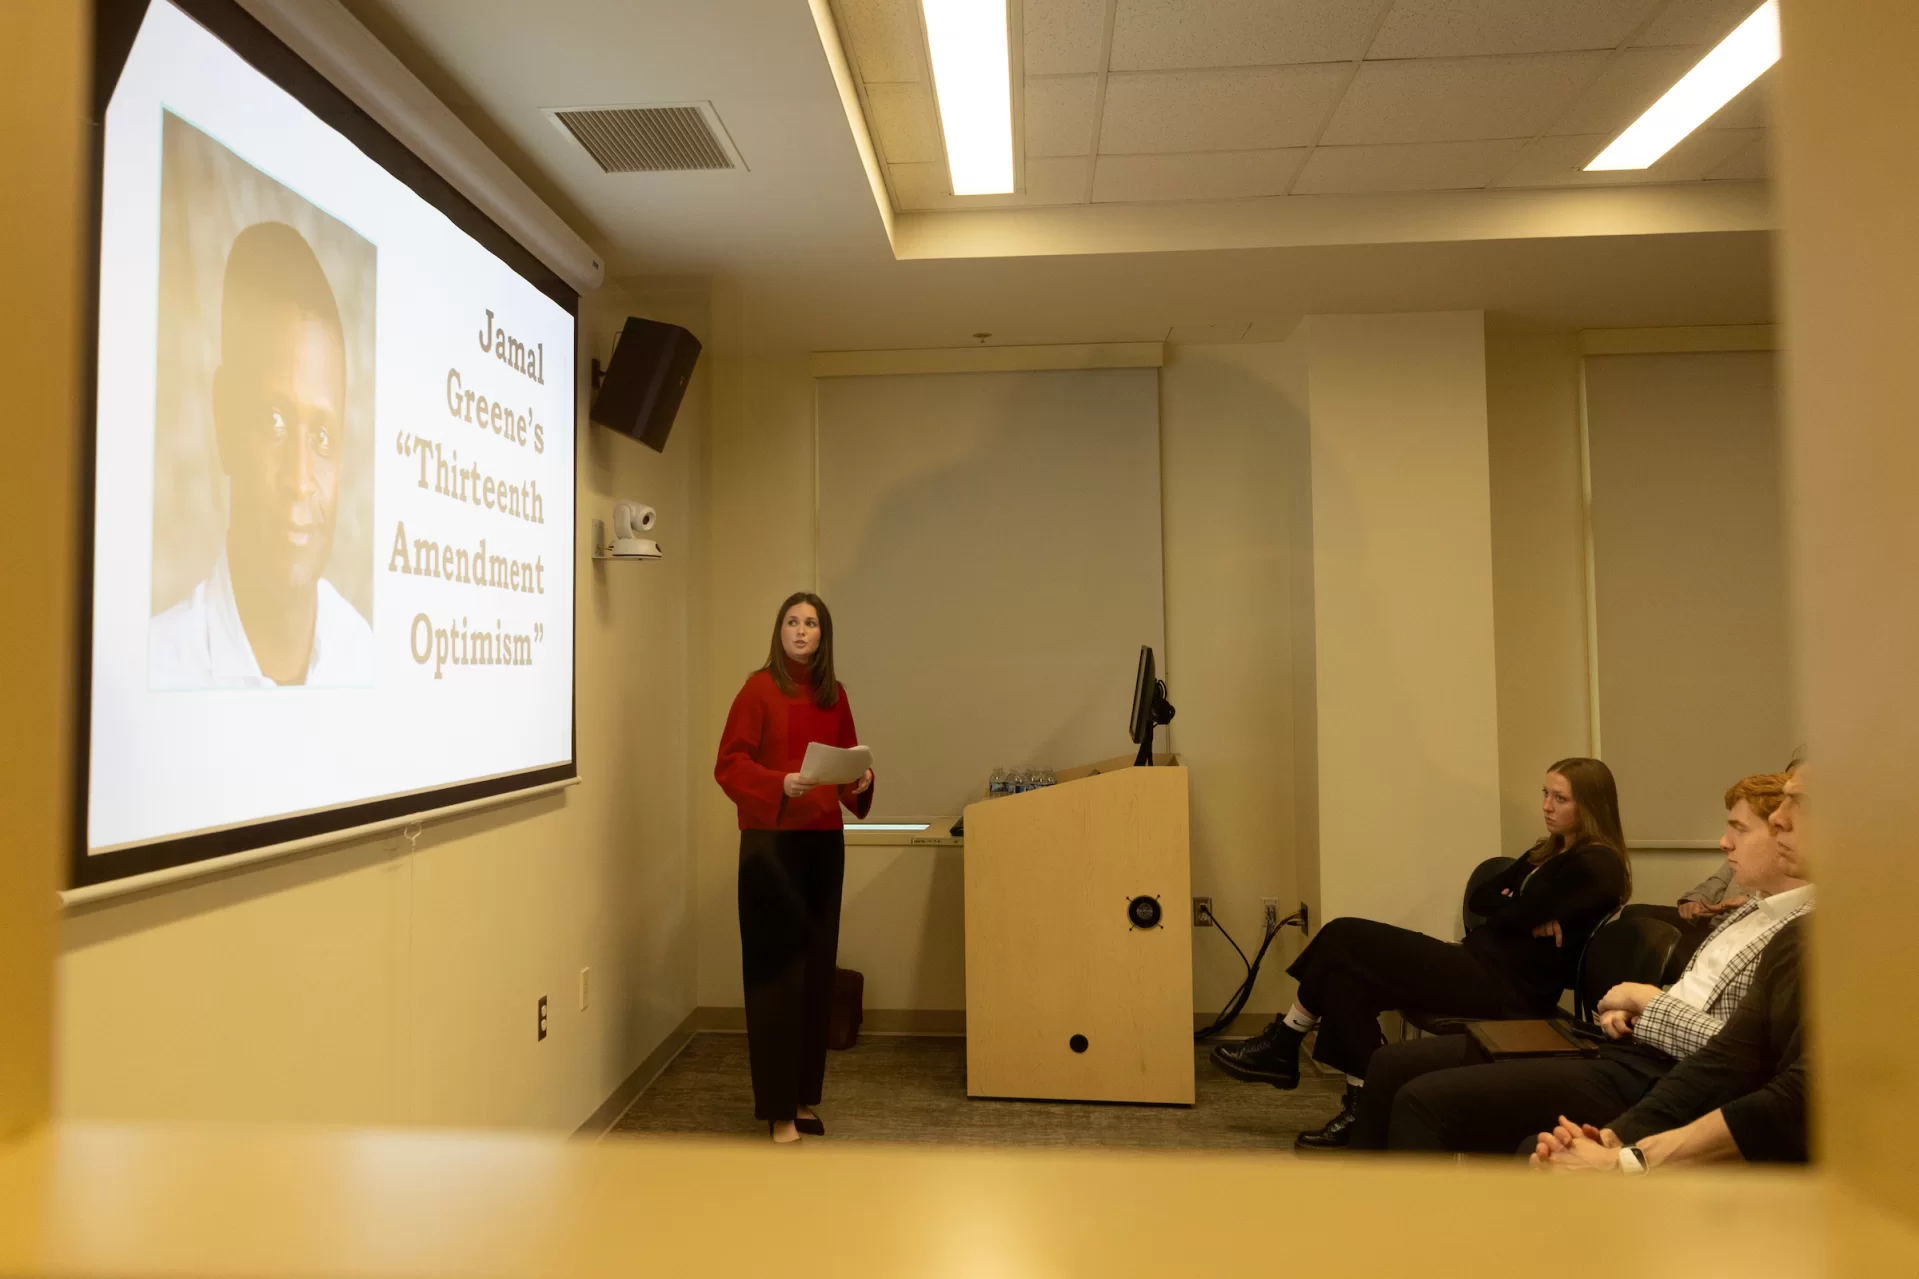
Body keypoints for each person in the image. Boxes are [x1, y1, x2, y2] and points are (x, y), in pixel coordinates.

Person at [1354, 771, 1810, 1153]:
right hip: (1619, 1041)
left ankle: (1402, 1245)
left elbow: (1746, 1052)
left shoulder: (1803, 933)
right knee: (1391, 1064)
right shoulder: (1750, 909)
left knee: (1422, 1099)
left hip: (1656, 1068)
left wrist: (1648, 1004)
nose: (1724, 842)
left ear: (1785, 839)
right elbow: (1489, 900)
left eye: (1740, 829)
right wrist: (1633, 1008)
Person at [1213, 757, 1631, 1150]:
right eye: (1545, 794)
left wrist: (1522, 910)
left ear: (1590, 805)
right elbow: (1486, 899)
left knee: (1343, 934)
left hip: (1506, 989)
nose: (1546, 806)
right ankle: (1358, 1107)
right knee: (1346, 976)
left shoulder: (1599, 865)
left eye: (1560, 798)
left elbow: (1510, 916)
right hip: (1477, 962)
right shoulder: (1549, 850)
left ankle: (1286, 1040)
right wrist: (1526, 910)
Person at [1532, 767, 1814, 1171]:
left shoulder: (1837, 934)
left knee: (1436, 1100)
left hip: (1814, 1179)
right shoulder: (1791, 926)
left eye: (1800, 802)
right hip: (1658, 1065)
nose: (1780, 819)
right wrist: (1615, 1138)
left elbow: (1794, 1094)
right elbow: (1731, 1055)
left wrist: (1623, 1163)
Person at [150, 220, 374, 687]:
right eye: (273, 421)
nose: (300, 478)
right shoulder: (160, 668)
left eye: (322, 437)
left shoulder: (366, 658)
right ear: (224, 420)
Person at [714, 592, 875, 1144]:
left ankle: (803, 1097)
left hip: (823, 846)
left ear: (823, 635)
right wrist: (777, 784)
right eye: (792, 621)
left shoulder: (836, 695)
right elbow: (729, 764)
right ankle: (778, 1109)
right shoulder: (757, 689)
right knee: (774, 979)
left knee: (813, 974)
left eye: (811, 623)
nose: (801, 631)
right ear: (778, 630)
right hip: (770, 845)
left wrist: (861, 781)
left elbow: (850, 762)